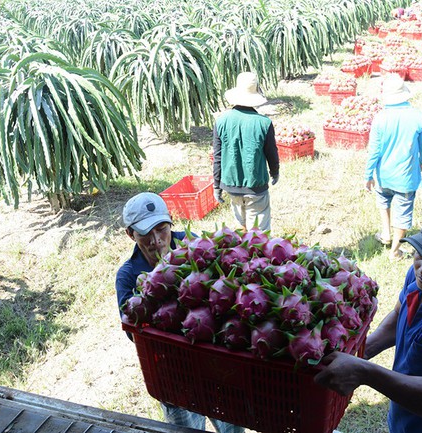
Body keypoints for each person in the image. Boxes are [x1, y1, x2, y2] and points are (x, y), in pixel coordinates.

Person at [315, 208, 422, 433]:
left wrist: (366, 372)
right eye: (421, 254)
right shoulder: (420, 280)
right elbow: (400, 316)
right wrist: (361, 352)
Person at [115, 192, 244, 433]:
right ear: (130, 234)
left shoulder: (191, 245)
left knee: (232, 427)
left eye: (162, 229)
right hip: (172, 373)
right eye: (144, 234)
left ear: (171, 223)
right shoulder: (128, 275)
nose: (156, 241)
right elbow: (133, 334)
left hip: (213, 363)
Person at [365, 74, 422, 260]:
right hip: (406, 177)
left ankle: (386, 233)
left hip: (383, 175)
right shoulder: (417, 116)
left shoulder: (380, 118)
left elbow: (374, 150)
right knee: (403, 211)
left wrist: (368, 174)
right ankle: (395, 250)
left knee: (383, 201)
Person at [212, 72, 279, 232]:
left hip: (231, 185)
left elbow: (217, 157)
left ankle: (242, 254)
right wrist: (275, 172)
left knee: (240, 230)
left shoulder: (221, 121)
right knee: (258, 236)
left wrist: (217, 185)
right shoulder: (264, 123)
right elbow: (272, 153)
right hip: (256, 186)